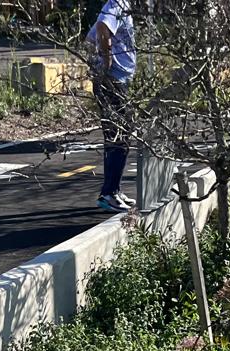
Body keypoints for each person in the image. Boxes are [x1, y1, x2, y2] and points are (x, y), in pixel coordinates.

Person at [87, 0, 136, 212]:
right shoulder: (118, 3)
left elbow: (89, 39)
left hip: (115, 79)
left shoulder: (122, 6)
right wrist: (106, 63)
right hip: (113, 80)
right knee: (120, 135)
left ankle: (113, 189)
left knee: (118, 135)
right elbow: (101, 27)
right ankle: (109, 193)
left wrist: (96, 63)